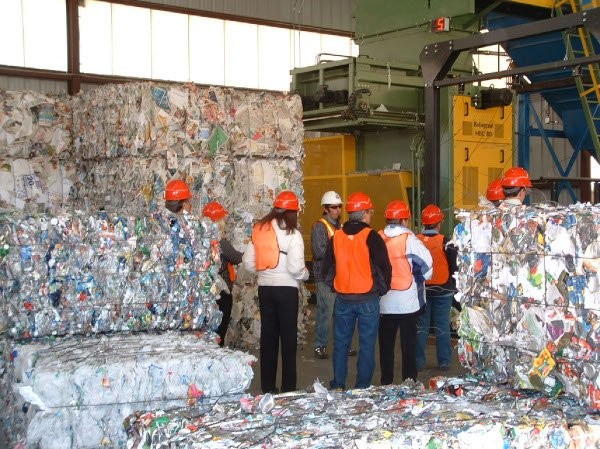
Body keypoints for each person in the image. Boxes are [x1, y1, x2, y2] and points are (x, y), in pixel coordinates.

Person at [322, 192, 392, 390]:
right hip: (367, 299)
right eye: (370, 212)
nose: (370, 215)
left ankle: (338, 383)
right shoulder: (372, 237)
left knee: (341, 344)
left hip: (343, 299)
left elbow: (326, 269)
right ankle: (362, 387)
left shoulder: (336, 237)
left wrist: (335, 286)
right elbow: (385, 268)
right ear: (365, 214)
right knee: (367, 346)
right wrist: (381, 290)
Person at [242, 190, 309, 394]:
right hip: (287, 291)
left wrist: (264, 272)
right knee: (288, 340)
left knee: (268, 339)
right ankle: (288, 389)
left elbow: (247, 262)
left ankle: (268, 388)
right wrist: (305, 275)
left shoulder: (260, 229)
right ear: (293, 212)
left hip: (265, 290)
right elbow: (296, 268)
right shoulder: (293, 234)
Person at [378, 200, 432, 383]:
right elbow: (428, 269)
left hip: (383, 301)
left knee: (386, 345)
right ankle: (409, 380)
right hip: (408, 302)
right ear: (405, 220)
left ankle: (386, 381)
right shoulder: (410, 240)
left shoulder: (378, 237)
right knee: (408, 344)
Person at [312, 191, 357, 359]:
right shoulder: (320, 226)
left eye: (339, 207)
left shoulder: (341, 226)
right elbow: (319, 251)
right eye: (334, 207)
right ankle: (320, 345)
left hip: (340, 276)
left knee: (342, 313)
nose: (338, 210)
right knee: (325, 312)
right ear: (326, 209)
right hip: (325, 278)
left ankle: (344, 344)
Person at [415, 204, 458, 372]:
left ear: (424, 223)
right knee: (442, 326)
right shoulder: (446, 242)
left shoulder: (415, 240)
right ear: (439, 223)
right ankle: (444, 361)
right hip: (443, 290)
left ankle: (418, 362)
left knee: (421, 327)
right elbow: (454, 266)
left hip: (422, 290)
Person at [202, 201, 243, 347]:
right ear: (218, 221)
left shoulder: (201, 240)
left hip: (206, 291)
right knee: (221, 327)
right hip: (222, 291)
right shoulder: (221, 243)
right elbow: (237, 258)